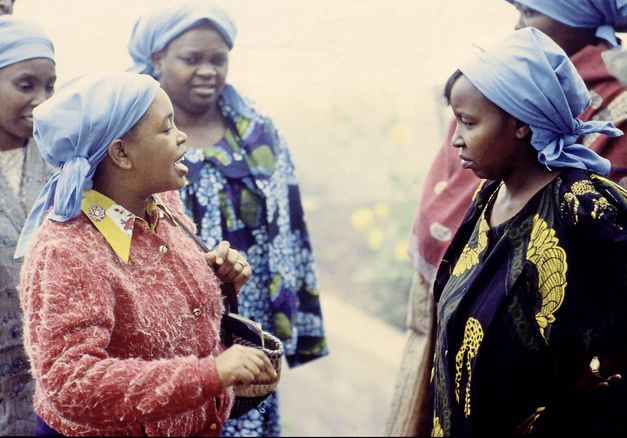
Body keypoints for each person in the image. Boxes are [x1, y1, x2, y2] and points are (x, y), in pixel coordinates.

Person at [386, 1, 627, 435]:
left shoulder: (585, 209)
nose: (455, 140)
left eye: (468, 123)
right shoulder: (487, 196)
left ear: (520, 123)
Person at [15, 71, 277, 436]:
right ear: (121, 153)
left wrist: (217, 279)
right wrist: (211, 373)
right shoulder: (66, 251)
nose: (182, 136)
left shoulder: (160, 203)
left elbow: (154, 310)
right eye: (167, 129)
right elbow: (71, 382)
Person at [127, 2, 328, 436]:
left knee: (251, 418)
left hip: (249, 315)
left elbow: (291, 227)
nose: (207, 71)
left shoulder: (258, 130)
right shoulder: (132, 137)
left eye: (218, 59)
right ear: (157, 58)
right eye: (191, 59)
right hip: (178, 326)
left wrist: (299, 324)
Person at [0, 15, 55, 436]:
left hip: (46, 374)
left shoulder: (63, 162)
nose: (41, 99)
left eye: (49, 86)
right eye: (25, 85)